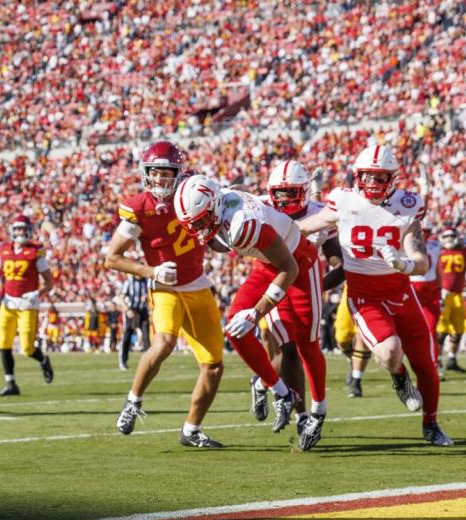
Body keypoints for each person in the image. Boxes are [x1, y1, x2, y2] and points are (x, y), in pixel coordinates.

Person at [298, 144, 451, 446]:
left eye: (380, 177)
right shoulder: (342, 201)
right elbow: (303, 226)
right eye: (367, 176)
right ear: (357, 176)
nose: (372, 184)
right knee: (391, 352)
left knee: (427, 365)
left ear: (393, 179)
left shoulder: (408, 205)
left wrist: (404, 264)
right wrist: (270, 234)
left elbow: (421, 259)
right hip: (365, 295)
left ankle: (431, 424)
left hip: (402, 293)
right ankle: (399, 377)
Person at [175, 174, 325, 450]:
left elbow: (289, 267)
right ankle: (281, 393)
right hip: (268, 262)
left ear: (213, 206)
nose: (197, 230)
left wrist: (256, 313)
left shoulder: (243, 224)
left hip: (298, 262)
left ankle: (318, 410)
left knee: (306, 343)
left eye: (199, 222)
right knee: (235, 328)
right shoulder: (221, 207)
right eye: (192, 225)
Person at [104, 142, 224, 448]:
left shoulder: (194, 193)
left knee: (213, 365)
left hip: (197, 284)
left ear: (178, 174)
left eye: (166, 173)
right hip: (165, 286)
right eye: (154, 173)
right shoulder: (138, 207)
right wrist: (151, 271)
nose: (160, 180)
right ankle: (133, 401)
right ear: (145, 173)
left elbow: (214, 240)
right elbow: (112, 258)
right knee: (164, 343)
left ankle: (191, 430)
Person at [252, 160, 340, 436]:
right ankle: (296, 409)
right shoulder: (260, 206)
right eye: (280, 192)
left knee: (306, 347)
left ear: (303, 191)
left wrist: (319, 286)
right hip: (272, 279)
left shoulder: (318, 214)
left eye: (291, 192)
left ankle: (273, 390)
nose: (285, 199)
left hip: (305, 284)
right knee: (288, 348)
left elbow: (338, 261)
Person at [0, 214, 54, 395]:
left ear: (29, 230)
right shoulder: (3, 250)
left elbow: (49, 282)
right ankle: (11, 384)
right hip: (8, 303)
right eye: (18, 228)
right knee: (3, 343)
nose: (21, 232)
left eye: (24, 228)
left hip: (28, 305)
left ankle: (43, 360)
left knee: (27, 349)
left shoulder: (36, 251)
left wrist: (37, 293)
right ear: (13, 231)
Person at [436, 228, 466, 375]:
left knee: (459, 330)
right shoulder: (438, 251)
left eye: (452, 236)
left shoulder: (464, 251)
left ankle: (452, 359)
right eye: (447, 236)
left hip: (458, 294)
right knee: (442, 331)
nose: (450, 238)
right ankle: (438, 361)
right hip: (443, 294)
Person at [410, 224, 442, 376]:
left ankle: (434, 364)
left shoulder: (435, 245)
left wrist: (440, 289)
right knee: (408, 331)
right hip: (412, 288)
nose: (422, 235)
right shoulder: (407, 244)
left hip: (430, 290)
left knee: (431, 328)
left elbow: (436, 270)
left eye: (425, 232)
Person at [118, 274, 150, 371]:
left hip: (143, 311)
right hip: (131, 311)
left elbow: (151, 294)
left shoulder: (146, 281)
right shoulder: (129, 281)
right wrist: (127, 310)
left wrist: (147, 297)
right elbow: (121, 298)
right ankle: (123, 360)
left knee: (145, 337)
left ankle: (149, 362)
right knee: (127, 336)